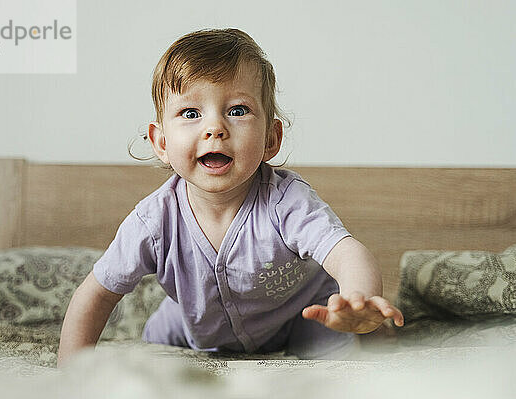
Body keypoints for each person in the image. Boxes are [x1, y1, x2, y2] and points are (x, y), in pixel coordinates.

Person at [57, 28, 403, 367]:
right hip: (194, 325)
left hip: (299, 315)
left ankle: (372, 326)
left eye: (237, 110)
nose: (215, 128)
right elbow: (96, 293)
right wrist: (69, 374)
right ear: (161, 143)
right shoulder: (153, 222)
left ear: (271, 137)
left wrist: (359, 298)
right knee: (152, 347)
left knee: (338, 345)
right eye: (191, 113)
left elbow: (346, 253)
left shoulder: (286, 202)